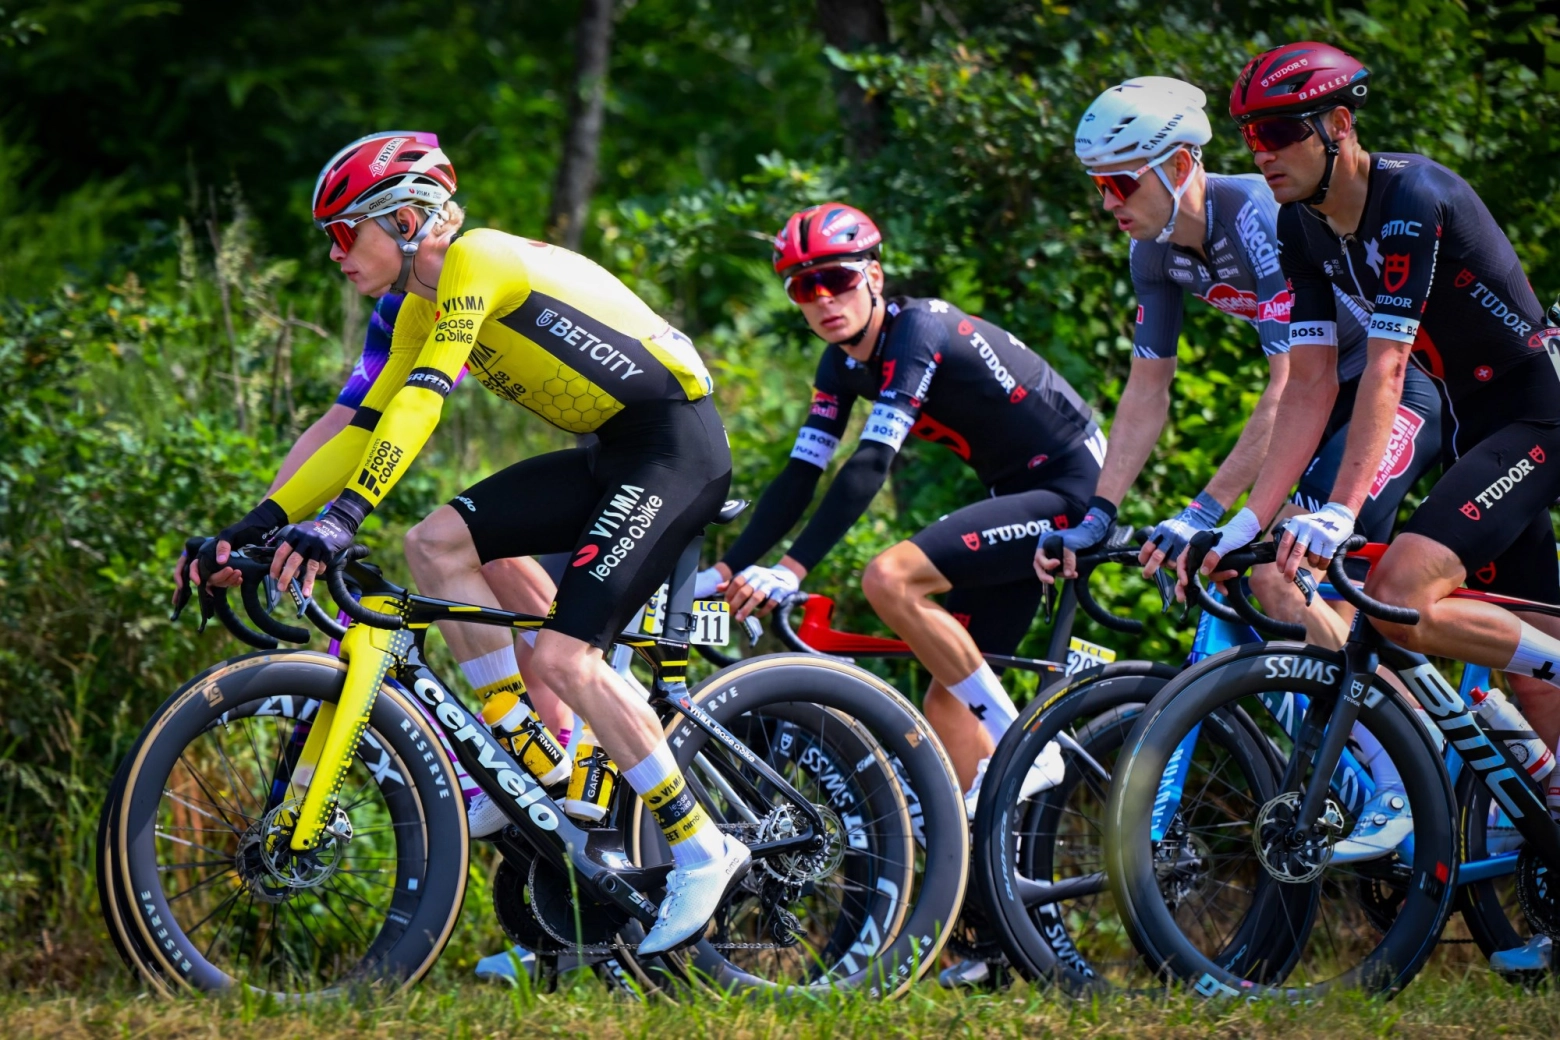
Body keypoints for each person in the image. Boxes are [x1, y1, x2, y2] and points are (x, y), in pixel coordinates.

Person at [207, 131, 745, 956]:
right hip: (611, 452)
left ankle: (703, 846)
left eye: (346, 233)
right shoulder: (417, 304)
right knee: (438, 542)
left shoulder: (478, 261)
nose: (335, 255)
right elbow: (364, 423)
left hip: (676, 446)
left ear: (409, 217)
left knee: (569, 659)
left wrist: (343, 517)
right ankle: (525, 750)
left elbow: (423, 401)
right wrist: (260, 524)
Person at [1207, 43, 1560, 906]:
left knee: (1400, 592)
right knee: (1525, 658)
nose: (1262, 151)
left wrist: (1338, 510)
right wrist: (1247, 521)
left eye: (1281, 131)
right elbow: (1315, 381)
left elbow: (1391, 371)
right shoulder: (1301, 226)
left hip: (1537, 411)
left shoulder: (1410, 200)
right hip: (1480, 426)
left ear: (1339, 125)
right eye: (1250, 134)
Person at [701, 203, 1105, 817]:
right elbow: (802, 473)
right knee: (950, 698)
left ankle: (1029, 748)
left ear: (875, 278)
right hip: (1018, 500)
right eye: (803, 287)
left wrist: (792, 570)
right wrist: (727, 570)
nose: (823, 299)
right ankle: (985, 877)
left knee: (890, 578)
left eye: (837, 279)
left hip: (1072, 491)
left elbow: (868, 464)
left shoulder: (919, 331)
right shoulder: (839, 364)